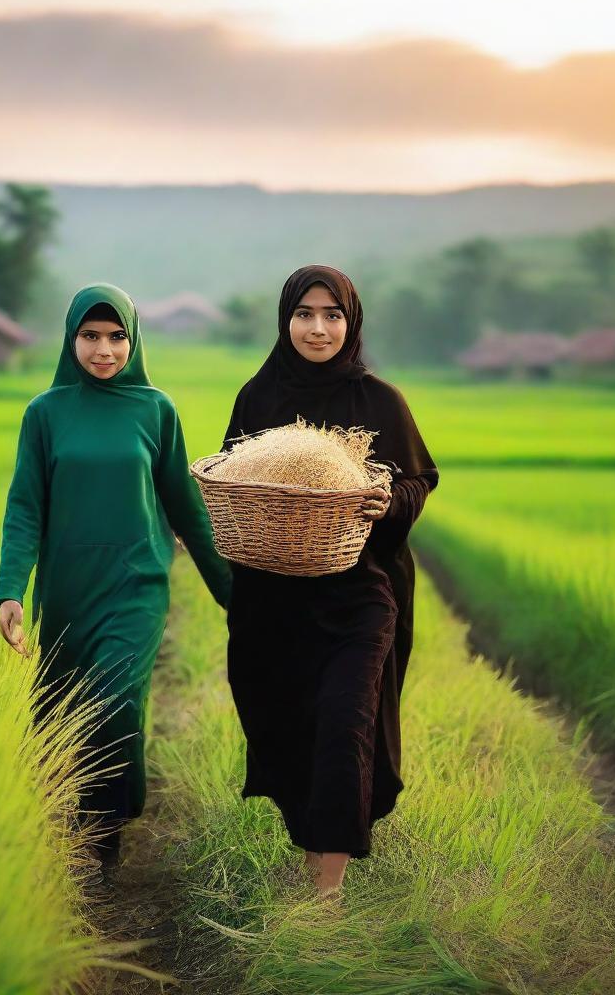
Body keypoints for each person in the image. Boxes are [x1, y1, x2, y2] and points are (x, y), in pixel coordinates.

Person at [0, 283, 231, 876]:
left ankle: (104, 831)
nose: (104, 349)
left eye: (116, 336)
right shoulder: (45, 414)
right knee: (64, 711)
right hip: (68, 589)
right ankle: (72, 822)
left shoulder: (156, 410)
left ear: (134, 339)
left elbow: (187, 509)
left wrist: (234, 594)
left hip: (136, 585)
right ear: (71, 339)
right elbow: (25, 507)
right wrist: (9, 590)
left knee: (116, 698)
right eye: (90, 336)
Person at [221, 264, 438, 899]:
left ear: (352, 320)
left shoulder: (378, 401)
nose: (318, 329)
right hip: (274, 600)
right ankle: (310, 848)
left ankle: (325, 902)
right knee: (289, 726)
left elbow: (417, 479)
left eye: (332, 315)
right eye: (305, 314)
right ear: (285, 320)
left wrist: (384, 502)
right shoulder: (258, 398)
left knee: (347, 727)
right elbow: (232, 480)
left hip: (358, 597)